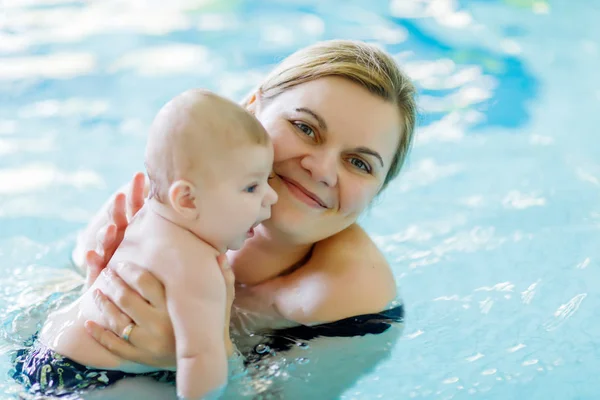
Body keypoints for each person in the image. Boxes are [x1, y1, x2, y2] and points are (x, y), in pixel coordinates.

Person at [72, 39, 417, 376]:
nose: (322, 170)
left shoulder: (351, 301)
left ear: (378, 191)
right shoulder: (170, 194)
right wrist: (95, 290)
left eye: (359, 163)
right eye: (305, 128)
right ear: (252, 109)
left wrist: (194, 358)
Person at [12, 90, 278, 399]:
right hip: (90, 382)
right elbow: (201, 361)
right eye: (252, 187)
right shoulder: (197, 268)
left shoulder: (146, 217)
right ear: (187, 199)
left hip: (42, 349)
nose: (270, 197)